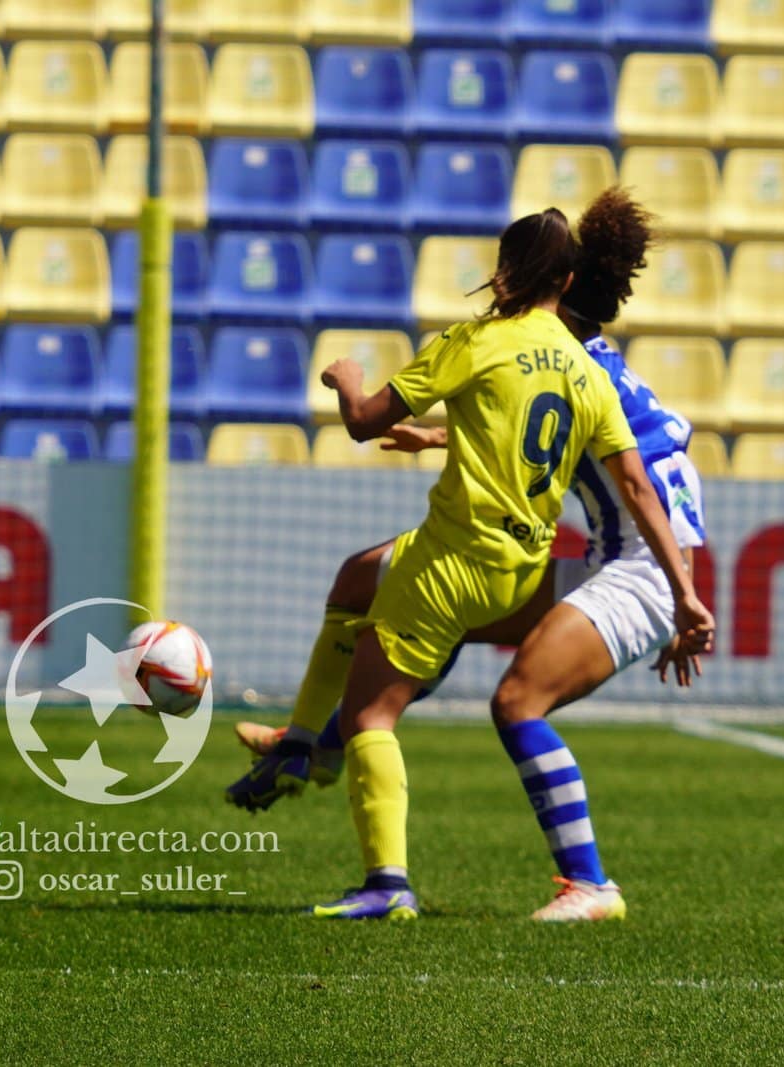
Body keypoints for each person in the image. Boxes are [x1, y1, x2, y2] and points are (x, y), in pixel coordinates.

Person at [231, 189, 707, 922]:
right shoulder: (585, 362)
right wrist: (442, 436)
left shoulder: (532, 351)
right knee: (364, 578)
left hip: (642, 564)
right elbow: (538, 419)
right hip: (606, 556)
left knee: (515, 700)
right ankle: (312, 746)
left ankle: (589, 883)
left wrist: (680, 594)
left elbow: (633, 481)